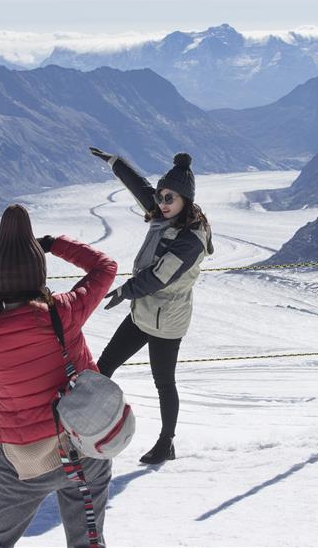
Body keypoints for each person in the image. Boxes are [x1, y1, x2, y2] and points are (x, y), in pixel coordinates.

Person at [0, 204, 118, 548]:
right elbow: (105, 267)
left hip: (23, 460)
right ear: (38, 274)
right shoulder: (64, 312)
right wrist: (53, 244)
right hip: (84, 447)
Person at [89, 148, 214, 465]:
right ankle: (90, 433)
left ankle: (166, 443)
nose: (162, 202)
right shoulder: (165, 212)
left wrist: (125, 291)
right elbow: (141, 188)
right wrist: (116, 163)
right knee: (104, 367)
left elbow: (159, 277)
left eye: (169, 197)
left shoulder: (191, 239)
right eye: (161, 196)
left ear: (186, 199)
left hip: (167, 320)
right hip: (143, 311)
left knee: (164, 383)